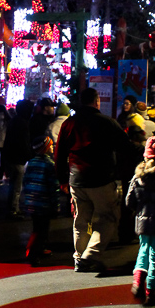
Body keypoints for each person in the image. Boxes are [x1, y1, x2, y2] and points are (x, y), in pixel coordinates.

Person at [55, 86, 131, 272]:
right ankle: (90, 255)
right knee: (108, 217)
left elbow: (59, 154)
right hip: (101, 178)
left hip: (76, 178)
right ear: (97, 101)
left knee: (81, 220)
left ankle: (79, 258)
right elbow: (125, 147)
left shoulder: (69, 124)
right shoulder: (107, 123)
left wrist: (63, 179)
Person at [125, 135, 155, 306]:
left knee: (143, 250)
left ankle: (137, 282)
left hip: (142, 221)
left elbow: (129, 201)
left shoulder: (138, 177)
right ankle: (151, 291)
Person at [23, 135, 60, 267]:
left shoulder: (30, 162)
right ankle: (33, 254)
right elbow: (53, 186)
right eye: (50, 146)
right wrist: (56, 204)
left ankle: (41, 249)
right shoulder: (49, 164)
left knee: (37, 226)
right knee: (42, 230)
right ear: (44, 149)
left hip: (32, 201)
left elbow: (25, 181)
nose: (52, 147)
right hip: (44, 202)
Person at [2, 100, 33, 218]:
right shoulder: (23, 123)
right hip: (18, 158)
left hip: (11, 157)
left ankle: (12, 207)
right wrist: (29, 155)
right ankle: (14, 209)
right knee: (16, 186)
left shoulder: (15, 121)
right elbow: (23, 142)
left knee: (13, 184)